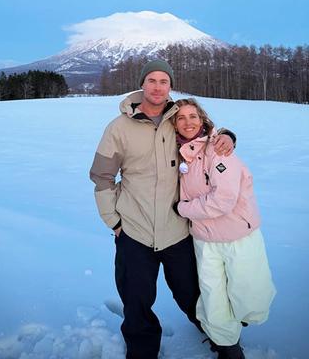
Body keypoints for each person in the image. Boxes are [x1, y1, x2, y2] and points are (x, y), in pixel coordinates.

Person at [89, 59, 236, 358]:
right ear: (142, 83)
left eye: (164, 81)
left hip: (177, 231)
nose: (158, 87)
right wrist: (113, 221)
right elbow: (102, 176)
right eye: (152, 80)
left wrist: (229, 136)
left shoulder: (176, 120)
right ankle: (142, 351)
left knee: (194, 294)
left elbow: (206, 134)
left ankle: (223, 340)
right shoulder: (118, 127)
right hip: (134, 231)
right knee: (136, 300)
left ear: (170, 86)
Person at [171, 98, 276, 359]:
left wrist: (182, 209)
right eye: (181, 117)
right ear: (173, 124)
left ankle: (236, 326)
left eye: (193, 116)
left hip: (237, 235)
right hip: (205, 240)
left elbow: (223, 200)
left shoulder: (218, 150)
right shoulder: (179, 153)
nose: (187, 123)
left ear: (203, 119)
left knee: (247, 293)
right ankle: (228, 347)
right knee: (212, 296)